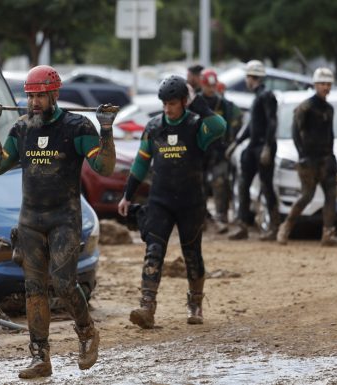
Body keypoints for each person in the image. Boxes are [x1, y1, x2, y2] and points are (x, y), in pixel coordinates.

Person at [0, 65, 116, 379]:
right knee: (33, 290)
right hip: (30, 221)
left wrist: (106, 129)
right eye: (30, 96)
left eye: (40, 95)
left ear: (55, 93)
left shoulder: (77, 127)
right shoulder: (22, 128)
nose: (34, 102)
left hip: (64, 219)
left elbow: (105, 168)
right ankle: (39, 356)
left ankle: (86, 333)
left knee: (65, 283)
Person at [118, 75, 226, 328]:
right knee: (154, 250)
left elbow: (220, 126)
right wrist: (127, 195)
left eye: (173, 103)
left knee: (192, 253)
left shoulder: (197, 126)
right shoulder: (154, 127)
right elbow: (141, 162)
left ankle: (195, 304)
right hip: (161, 200)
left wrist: (199, 104)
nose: (168, 108)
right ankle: (147, 306)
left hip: (191, 201)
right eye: (165, 103)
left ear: (184, 102)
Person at [277, 68, 337, 247]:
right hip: (309, 160)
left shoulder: (329, 109)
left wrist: (331, 156)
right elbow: (295, 132)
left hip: (326, 160)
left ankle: (328, 234)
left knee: (331, 196)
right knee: (306, 196)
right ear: (315, 85)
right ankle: (285, 227)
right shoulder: (306, 107)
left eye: (328, 84)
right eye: (322, 84)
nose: (326, 87)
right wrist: (302, 155)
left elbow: (329, 134)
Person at [227, 60, 279, 240]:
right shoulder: (257, 97)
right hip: (252, 147)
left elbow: (272, 122)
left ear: (251, 78)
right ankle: (243, 224)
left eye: (248, 77)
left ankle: (273, 227)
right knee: (243, 184)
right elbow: (252, 125)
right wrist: (237, 142)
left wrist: (267, 147)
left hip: (263, 147)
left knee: (266, 186)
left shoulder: (266, 96)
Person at [199, 69, 243, 233]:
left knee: (220, 184)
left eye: (212, 86)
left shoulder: (224, 104)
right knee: (199, 184)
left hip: (219, 152)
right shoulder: (196, 102)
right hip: (200, 151)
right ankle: (200, 217)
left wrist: (228, 145)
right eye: (207, 86)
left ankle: (221, 218)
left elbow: (234, 123)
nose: (210, 89)